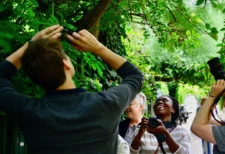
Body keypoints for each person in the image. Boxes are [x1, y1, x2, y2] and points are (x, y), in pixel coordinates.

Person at [0, 25, 143, 154]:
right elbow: (135, 76)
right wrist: (98, 47)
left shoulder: (30, 114)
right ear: (66, 64)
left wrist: (30, 46)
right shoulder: (106, 104)